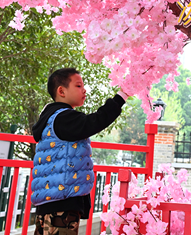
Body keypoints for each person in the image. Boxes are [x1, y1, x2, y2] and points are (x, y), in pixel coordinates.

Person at [31, 68, 129, 235]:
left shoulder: (50, 118)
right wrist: (122, 96)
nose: (84, 90)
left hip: (48, 203)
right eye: (78, 85)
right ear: (61, 91)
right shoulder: (64, 118)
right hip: (62, 204)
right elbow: (95, 121)